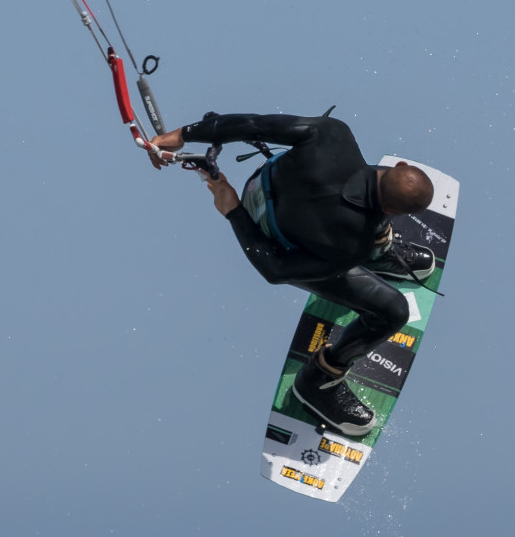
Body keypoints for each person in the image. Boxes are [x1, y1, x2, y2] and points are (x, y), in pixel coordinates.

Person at [151, 112, 436, 437]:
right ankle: (320, 381)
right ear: (395, 212)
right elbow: (276, 269)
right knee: (392, 311)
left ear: (398, 167)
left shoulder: (333, 134)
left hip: (261, 191)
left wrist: (184, 134)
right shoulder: (350, 249)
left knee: (364, 178)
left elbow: (253, 124)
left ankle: (381, 251)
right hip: (274, 239)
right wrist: (232, 211)